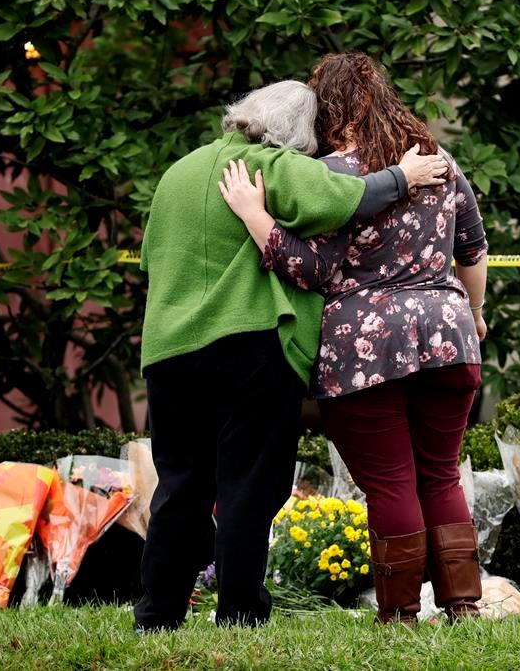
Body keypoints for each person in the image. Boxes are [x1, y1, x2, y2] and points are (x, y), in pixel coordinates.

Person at [134, 79, 450, 632]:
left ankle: (156, 615)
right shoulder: (274, 166)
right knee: (247, 486)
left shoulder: (177, 174)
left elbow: (150, 260)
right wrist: (406, 175)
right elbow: (347, 196)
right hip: (248, 345)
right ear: (296, 134)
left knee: (180, 485)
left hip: (170, 351)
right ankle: (237, 613)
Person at [219, 54, 489, 624]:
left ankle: (399, 614)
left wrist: (253, 215)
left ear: (329, 110)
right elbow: (473, 247)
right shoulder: (439, 161)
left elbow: (307, 267)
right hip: (448, 333)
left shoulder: (334, 176)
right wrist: (477, 312)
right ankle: (462, 603)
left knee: (391, 481)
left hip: (366, 350)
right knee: (440, 472)